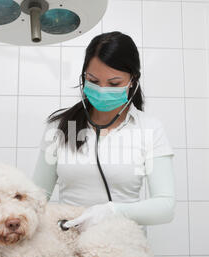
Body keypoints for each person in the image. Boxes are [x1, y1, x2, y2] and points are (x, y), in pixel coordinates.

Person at [32, 31, 176, 233]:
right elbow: (36, 199)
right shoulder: (60, 127)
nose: (101, 89)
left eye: (114, 83)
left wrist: (113, 211)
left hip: (124, 251)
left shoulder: (150, 129)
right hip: (68, 249)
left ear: (133, 80)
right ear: (83, 77)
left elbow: (165, 208)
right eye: (93, 80)